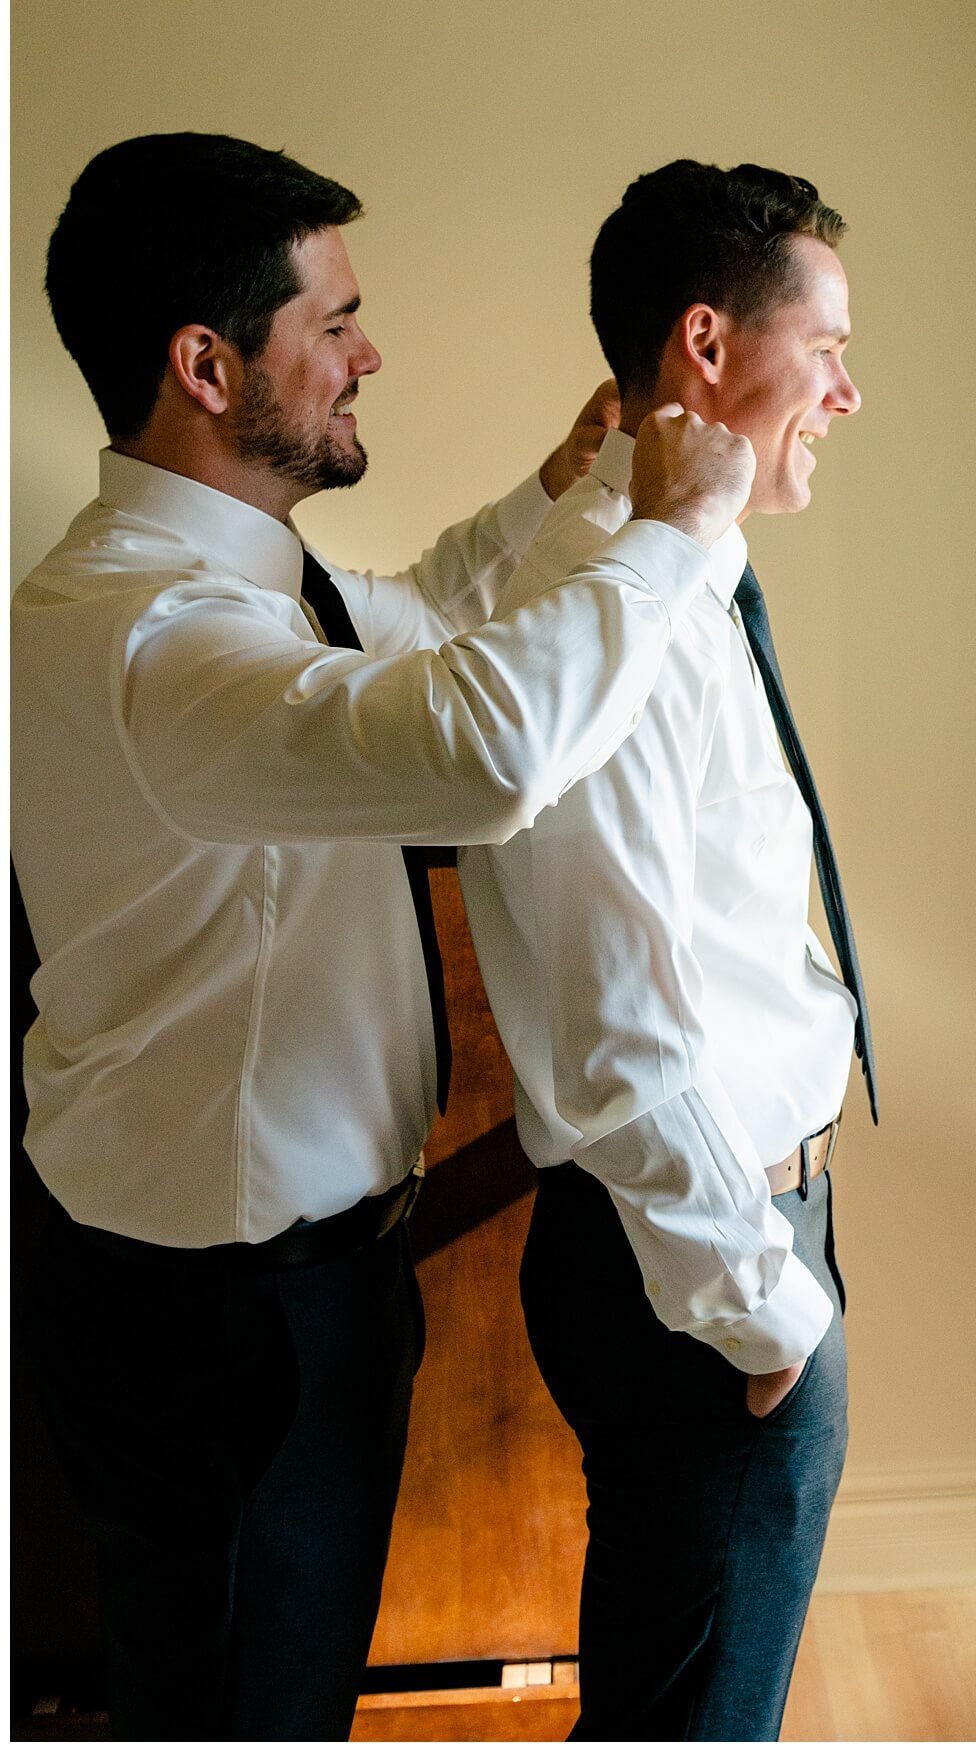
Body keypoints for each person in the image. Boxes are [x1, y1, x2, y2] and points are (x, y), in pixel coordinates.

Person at [11, 131, 755, 1743]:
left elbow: (415, 627)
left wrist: (563, 498)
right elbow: (478, 747)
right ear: (206, 366)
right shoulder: (146, 639)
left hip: (292, 1292)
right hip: (214, 1329)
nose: (368, 352)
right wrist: (673, 533)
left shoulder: (245, 593)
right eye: (332, 321)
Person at [458, 158, 877, 1741]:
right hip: (698, 1279)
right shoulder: (609, 623)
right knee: (689, 1722)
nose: (849, 388)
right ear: (707, 344)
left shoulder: (679, 574)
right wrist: (768, 1310)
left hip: (733, 1239)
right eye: (826, 345)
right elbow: (619, 1035)